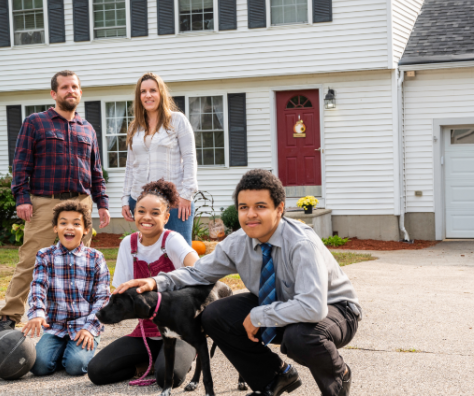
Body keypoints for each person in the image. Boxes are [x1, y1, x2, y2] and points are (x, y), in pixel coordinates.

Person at [116, 169, 362, 396]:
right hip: (282, 305)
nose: (250, 214)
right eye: (244, 207)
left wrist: (259, 315)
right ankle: (275, 377)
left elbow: (313, 307)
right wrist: (155, 281)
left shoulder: (301, 244)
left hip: (335, 310)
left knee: (300, 337)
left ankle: (338, 378)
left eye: (260, 206)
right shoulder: (237, 243)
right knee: (214, 315)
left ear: (279, 209)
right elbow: (197, 273)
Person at [0, 70, 110, 340]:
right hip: (44, 203)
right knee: (30, 261)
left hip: (81, 203)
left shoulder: (87, 128)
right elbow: (21, 164)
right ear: (54, 93)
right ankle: (8, 318)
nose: (71, 91)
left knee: (81, 265)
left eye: (75, 87)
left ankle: (81, 319)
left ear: (80, 92)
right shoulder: (36, 123)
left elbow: (96, 171)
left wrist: (102, 203)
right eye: (65, 87)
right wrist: (21, 198)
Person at [88, 179, 199, 387]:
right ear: (134, 213)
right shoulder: (127, 245)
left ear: (166, 217)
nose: (147, 217)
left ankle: (183, 356)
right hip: (146, 333)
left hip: (179, 331)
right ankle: (147, 363)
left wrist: (157, 282)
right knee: (97, 372)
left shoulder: (172, 241)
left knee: (168, 377)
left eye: (155, 213)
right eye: (141, 211)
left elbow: (199, 271)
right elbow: (120, 293)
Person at [22, 200, 110, 376]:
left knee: (76, 367)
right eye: (63, 223)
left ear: (85, 230)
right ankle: (63, 349)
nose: (69, 227)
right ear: (55, 228)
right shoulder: (45, 255)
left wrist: (90, 328)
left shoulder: (95, 258)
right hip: (56, 326)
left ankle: (75, 350)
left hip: (84, 326)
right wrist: (37, 313)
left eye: (76, 224)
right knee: (38, 367)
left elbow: (103, 298)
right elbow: (38, 285)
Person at [121, 72, 197, 245]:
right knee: (151, 252)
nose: (148, 95)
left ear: (161, 93)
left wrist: (186, 194)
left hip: (175, 201)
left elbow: (189, 157)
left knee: (180, 252)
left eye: (152, 90)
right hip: (140, 199)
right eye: (143, 91)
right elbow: (130, 167)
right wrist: (125, 199)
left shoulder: (177, 121)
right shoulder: (135, 127)